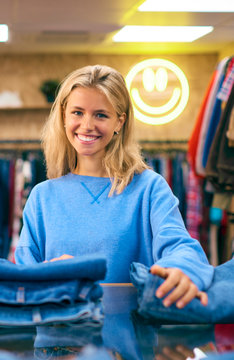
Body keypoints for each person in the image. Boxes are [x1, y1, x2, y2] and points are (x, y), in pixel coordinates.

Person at [15, 65, 214, 309]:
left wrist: (181, 271)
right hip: (59, 338)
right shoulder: (42, 196)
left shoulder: (149, 188)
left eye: (100, 115)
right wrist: (49, 273)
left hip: (131, 339)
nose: (87, 125)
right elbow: (24, 273)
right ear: (64, 115)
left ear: (119, 122)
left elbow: (180, 247)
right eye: (77, 112)